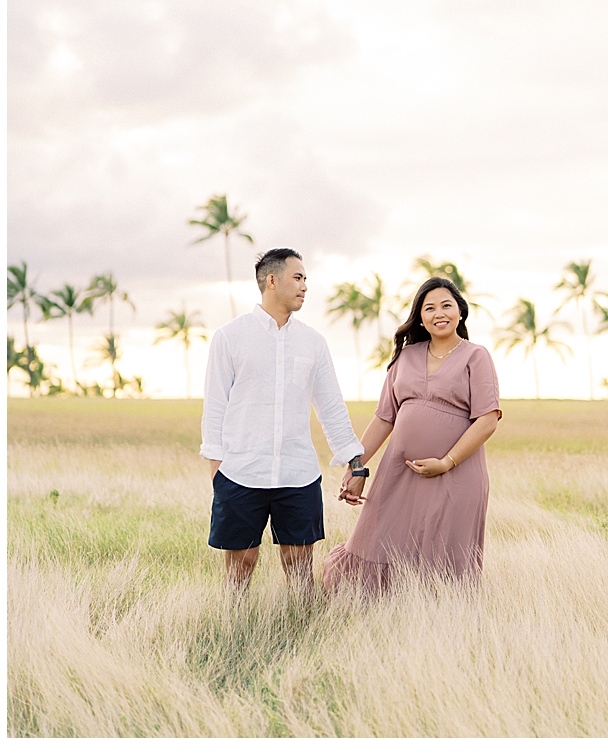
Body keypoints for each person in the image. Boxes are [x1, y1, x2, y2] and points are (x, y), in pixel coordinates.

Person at [322, 276, 503, 592]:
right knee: (376, 540)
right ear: (420, 317)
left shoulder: (476, 356)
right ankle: (378, 619)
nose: (439, 313)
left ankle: (440, 627)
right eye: (429, 308)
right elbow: (383, 419)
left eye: (446, 305)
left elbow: (487, 420)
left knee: (446, 555)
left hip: (457, 474)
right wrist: (357, 467)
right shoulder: (406, 357)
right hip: (399, 474)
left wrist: (446, 462)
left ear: (461, 311)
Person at [201, 247, 365, 592]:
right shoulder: (230, 336)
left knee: (299, 566)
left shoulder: (313, 342)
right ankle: (233, 629)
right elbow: (216, 404)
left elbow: (331, 406)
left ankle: (303, 632)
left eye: (306, 279)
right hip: (240, 471)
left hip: (297, 472)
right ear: (271, 281)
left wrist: (355, 461)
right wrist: (217, 467)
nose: (305, 286)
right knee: (240, 566)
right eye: (298, 277)